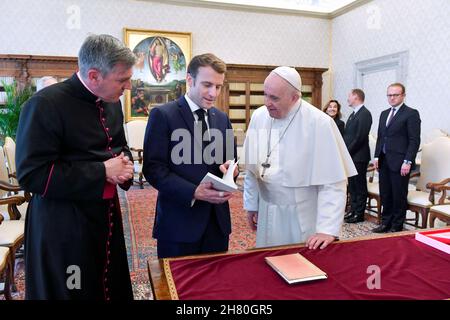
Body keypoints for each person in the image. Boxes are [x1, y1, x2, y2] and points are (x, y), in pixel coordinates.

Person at [15, 34, 136, 300]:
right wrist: (103, 171)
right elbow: (31, 174)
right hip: (64, 225)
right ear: (94, 76)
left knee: (106, 284)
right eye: (122, 79)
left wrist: (125, 166)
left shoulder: (112, 103)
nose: (128, 86)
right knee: (73, 289)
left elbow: (120, 147)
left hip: (106, 219)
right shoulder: (44, 105)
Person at [243, 66, 357, 249]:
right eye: (265, 95)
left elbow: (333, 182)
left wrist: (327, 229)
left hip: (301, 214)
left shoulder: (319, 123)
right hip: (267, 208)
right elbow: (252, 169)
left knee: (301, 266)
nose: (267, 102)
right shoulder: (259, 117)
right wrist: (251, 204)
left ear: (295, 97)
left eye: (274, 98)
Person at [143, 53, 238, 258]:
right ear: (189, 80)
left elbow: (231, 162)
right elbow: (153, 169)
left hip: (217, 223)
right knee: (176, 288)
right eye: (207, 85)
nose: (213, 93)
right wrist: (194, 191)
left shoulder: (222, 119)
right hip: (179, 223)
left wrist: (231, 170)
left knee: (215, 285)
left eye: (218, 87)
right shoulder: (163, 115)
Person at [372, 83, 421, 233]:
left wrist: (408, 161)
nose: (392, 98)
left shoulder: (411, 113)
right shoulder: (384, 113)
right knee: (385, 193)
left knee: (398, 194)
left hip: (400, 162)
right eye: (389, 95)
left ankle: (396, 225)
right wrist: (376, 156)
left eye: (395, 95)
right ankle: (385, 223)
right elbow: (381, 137)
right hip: (384, 159)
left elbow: (414, 140)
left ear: (403, 95)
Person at [343, 89, 373, 224]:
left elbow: (360, 137)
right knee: (353, 186)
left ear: (356, 97)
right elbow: (348, 136)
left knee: (360, 186)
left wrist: (346, 152)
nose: (347, 98)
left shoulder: (365, 114)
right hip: (351, 156)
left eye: (349, 96)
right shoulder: (353, 114)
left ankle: (359, 213)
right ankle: (353, 210)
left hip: (359, 156)